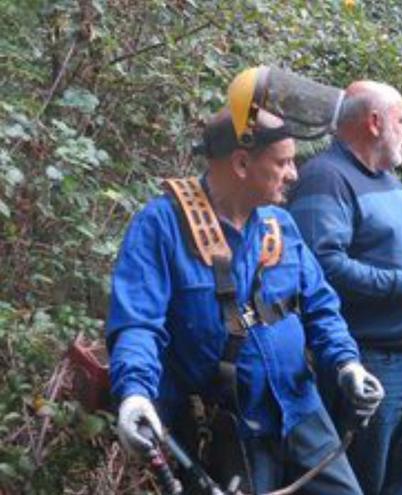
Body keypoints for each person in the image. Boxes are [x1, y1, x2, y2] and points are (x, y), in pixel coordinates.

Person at [106, 67, 384, 494]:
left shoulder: (280, 226)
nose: (294, 174)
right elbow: (138, 324)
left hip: (300, 408)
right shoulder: (162, 226)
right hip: (229, 427)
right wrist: (135, 393)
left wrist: (347, 364)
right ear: (240, 163)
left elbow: (321, 307)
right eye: (283, 162)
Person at [288, 81, 402, 495]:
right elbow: (321, 269)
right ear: (373, 122)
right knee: (363, 478)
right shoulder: (326, 178)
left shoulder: (388, 180)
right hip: (367, 358)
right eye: (401, 120)